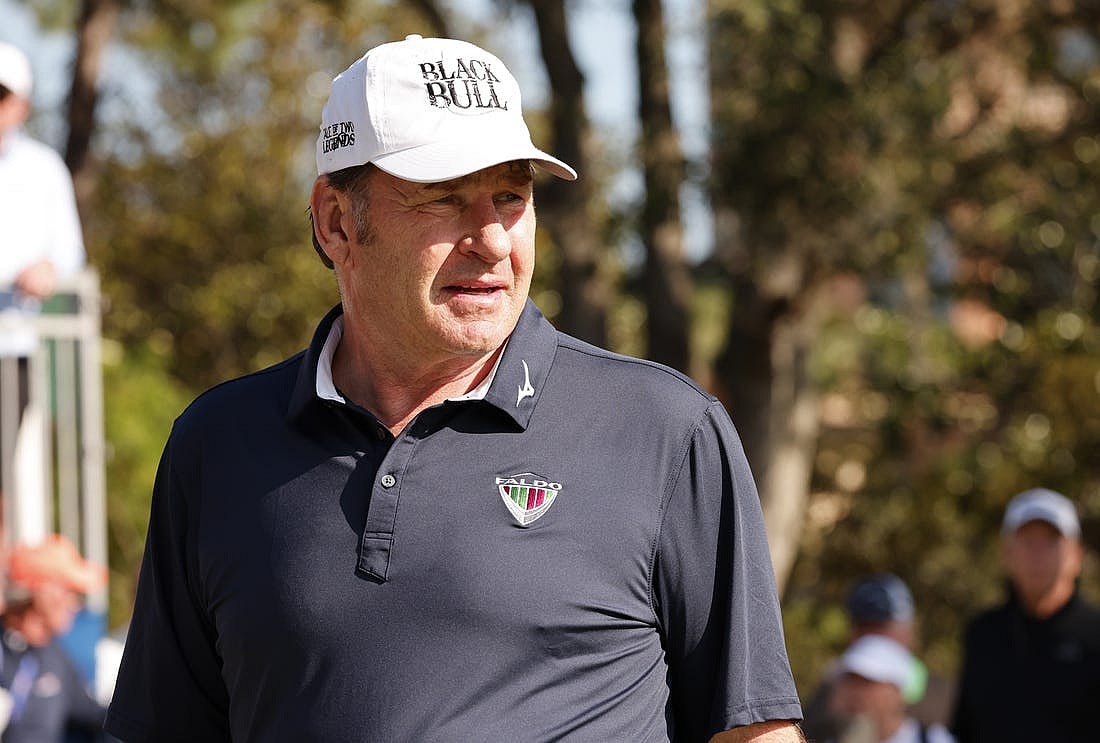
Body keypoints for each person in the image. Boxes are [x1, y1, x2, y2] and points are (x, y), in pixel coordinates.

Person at [103, 34, 805, 743]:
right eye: (444, 199)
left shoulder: (663, 429)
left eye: (511, 197)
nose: (493, 240)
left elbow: (755, 732)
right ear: (336, 221)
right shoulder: (218, 444)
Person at [0, 41, 86, 498]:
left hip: (12, 347)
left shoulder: (43, 169)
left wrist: (47, 270)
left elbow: (69, 253)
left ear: (22, 105)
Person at [950, 487, 1100, 743]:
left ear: (1076, 555)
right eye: (1028, 542)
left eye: (1051, 542)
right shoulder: (983, 634)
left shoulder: (1095, 635)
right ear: (1007, 554)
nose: (1038, 555)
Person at [802, 574, 951, 741]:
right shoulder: (825, 703)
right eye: (864, 627)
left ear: (911, 630)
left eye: (884, 627)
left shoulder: (942, 701)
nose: (873, 639)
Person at [0, 534, 109, 743]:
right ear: (42, 592)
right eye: (69, 591)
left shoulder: (55, 656)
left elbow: (95, 716)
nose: (76, 604)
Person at [824, 635, 955, 743]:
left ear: (897, 691)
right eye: (850, 681)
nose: (857, 693)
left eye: (868, 682)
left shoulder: (935, 739)